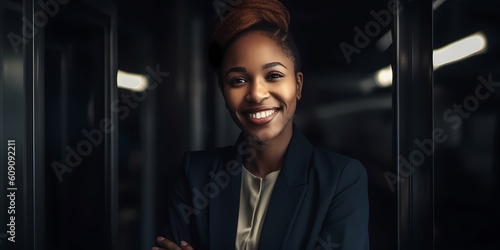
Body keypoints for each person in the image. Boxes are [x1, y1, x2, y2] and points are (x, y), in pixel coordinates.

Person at [153, 0, 369, 249]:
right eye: (238, 80)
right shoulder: (196, 174)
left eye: (273, 76)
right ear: (224, 93)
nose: (256, 94)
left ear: (297, 85)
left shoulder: (340, 180)